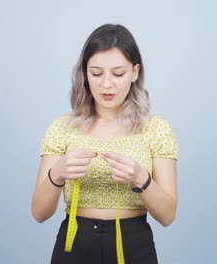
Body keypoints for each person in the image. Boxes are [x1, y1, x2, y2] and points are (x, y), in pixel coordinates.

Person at [31, 24, 178, 264]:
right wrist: (56, 174)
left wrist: (141, 178)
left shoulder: (156, 129)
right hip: (74, 244)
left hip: (134, 244)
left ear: (134, 72)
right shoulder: (62, 128)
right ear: (85, 73)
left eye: (118, 73)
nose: (106, 85)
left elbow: (167, 215)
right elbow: (39, 213)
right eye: (96, 73)